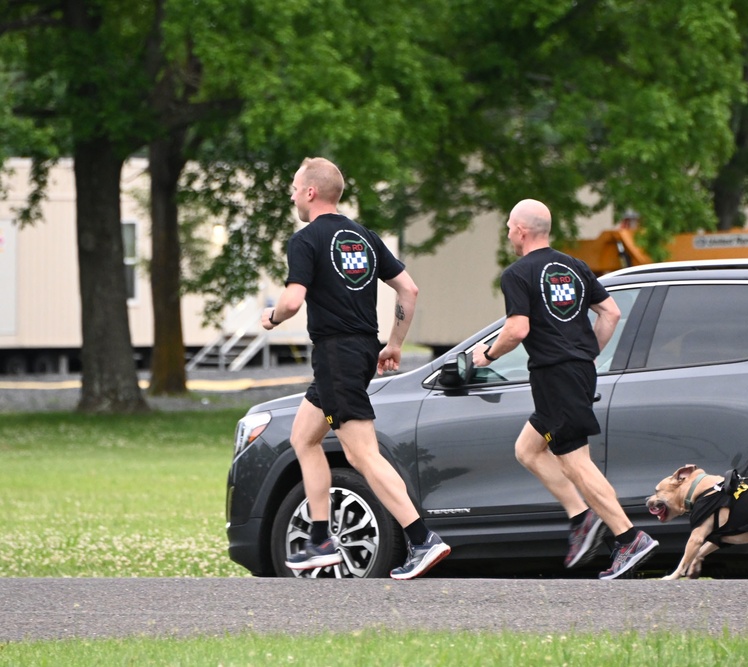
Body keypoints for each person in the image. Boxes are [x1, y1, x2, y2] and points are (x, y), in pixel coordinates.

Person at [261, 157, 449, 580]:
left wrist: (272, 317)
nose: (292, 194)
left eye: (294, 187)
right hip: (361, 351)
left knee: (361, 452)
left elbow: (292, 302)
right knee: (304, 437)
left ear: (310, 192)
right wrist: (394, 344)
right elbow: (408, 288)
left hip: (335, 354)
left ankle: (422, 539)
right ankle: (320, 538)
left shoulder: (306, 239)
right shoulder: (362, 237)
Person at [472, 199, 659, 580]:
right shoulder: (573, 266)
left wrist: (486, 356)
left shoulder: (518, 273)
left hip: (555, 375)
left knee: (576, 462)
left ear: (521, 231)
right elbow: (611, 313)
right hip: (570, 375)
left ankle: (628, 538)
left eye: (509, 226)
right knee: (528, 448)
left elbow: (517, 330)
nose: (508, 232)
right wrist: (587, 353)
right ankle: (582, 517)